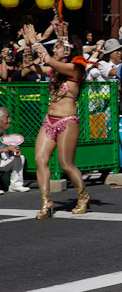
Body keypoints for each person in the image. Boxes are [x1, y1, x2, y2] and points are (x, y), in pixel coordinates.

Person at [23, 24, 89, 219]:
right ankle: (46, 202)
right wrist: (28, 46)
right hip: (49, 121)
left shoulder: (75, 70)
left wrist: (37, 42)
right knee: (40, 159)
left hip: (67, 122)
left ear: (68, 50)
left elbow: (49, 60)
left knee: (66, 164)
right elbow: (28, 69)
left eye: (59, 46)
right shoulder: (54, 72)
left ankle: (83, 196)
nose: (55, 48)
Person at [0, 107, 30, 193]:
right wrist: (5, 149)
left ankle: (16, 185)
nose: (9, 120)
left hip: (2, 162)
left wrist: (12, 151)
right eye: (7, 117)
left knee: (20, 158)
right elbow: (4, 149)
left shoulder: (4, 133)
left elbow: (5, 150)